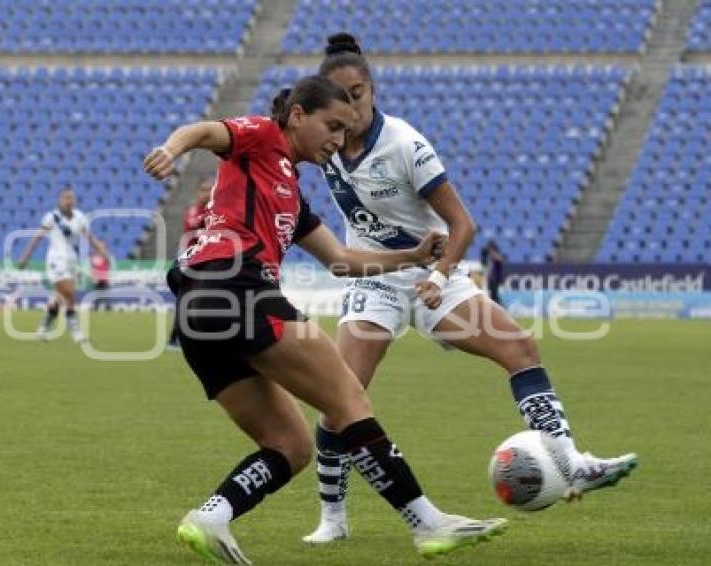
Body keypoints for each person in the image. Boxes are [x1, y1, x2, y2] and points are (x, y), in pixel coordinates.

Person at [143, 75, 506, 564]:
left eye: (345, 131)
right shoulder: (260, 136)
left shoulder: (292, 193)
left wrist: (413, 255)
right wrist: (171, 149)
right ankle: (427, 523)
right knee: (347, 398)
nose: (338, 141)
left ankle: (212, 515)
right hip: (235, 284)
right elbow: (206, 132)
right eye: (332, 126)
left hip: (197, 310)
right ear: (297, 116)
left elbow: (340, 259)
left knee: (289, 446)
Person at [302, 33, 637, 544]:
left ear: (372, 89)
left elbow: (463, 225)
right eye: (340, 97)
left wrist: (438, 277)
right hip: (376, 282)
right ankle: (333, 517)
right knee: (339, 397)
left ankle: (570, 464)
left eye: (358, 93)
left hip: (434, 277)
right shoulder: (321, 142)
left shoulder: (404, 145)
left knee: (520, 347)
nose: (351, 107)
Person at [17, 187, 109, 343]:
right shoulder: (52, 217)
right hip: (56, 261)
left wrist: (102, 252)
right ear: (59, 200)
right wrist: (25, 257)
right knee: (69, 294)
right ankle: (76, 332)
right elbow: (37, 237)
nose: (69, 201)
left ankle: (43, 328)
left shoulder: (80, 217)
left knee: (58, 298)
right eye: (65, 198)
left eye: (71, 198)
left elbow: (90, 238)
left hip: (72, 261)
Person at [168, 177, 214, 348]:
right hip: (190, 261)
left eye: (210, 190)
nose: (206, 194)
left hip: (206, 260)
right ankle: (174, 338)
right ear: (197, 192)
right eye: (203, 190)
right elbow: (194, 227)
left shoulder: (215, 211)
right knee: (185, 299)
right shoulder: (193, 211)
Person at [481, 239, 505, 306]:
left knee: (495, 296)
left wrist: (492, 253)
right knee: (492, 295)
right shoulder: (488, 257)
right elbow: (484, 263)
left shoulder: (496, 256)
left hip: (495, 279)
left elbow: (500, 260)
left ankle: (500, 307)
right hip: (490, 279)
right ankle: (497, 307)